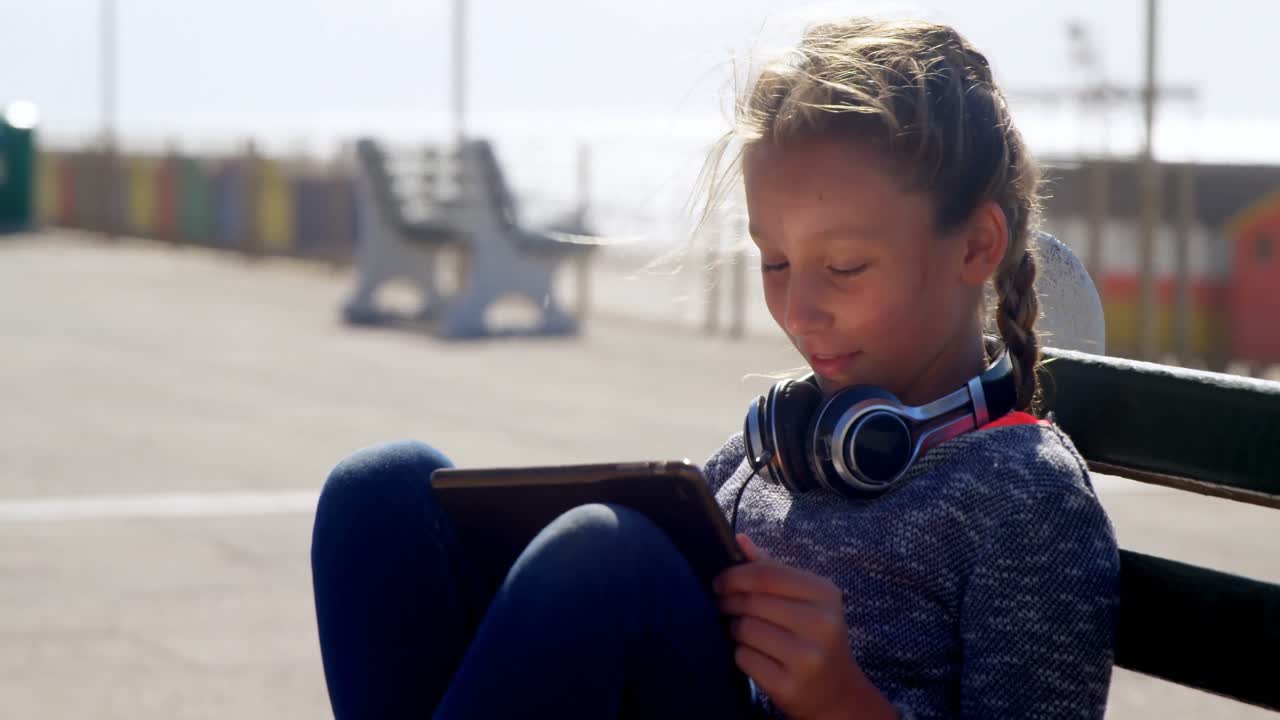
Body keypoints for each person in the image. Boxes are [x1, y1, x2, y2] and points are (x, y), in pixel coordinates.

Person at [310, 16, 1121, 720]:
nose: (799, 312)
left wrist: (843, 703)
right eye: (775, 264)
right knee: (381, 491)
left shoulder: (1026, 499)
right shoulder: (779, 449)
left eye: (843, 268)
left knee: (607, 555)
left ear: (975, 246)